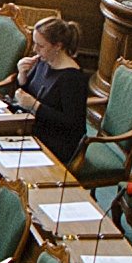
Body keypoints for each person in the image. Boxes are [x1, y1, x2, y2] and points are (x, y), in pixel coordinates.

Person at [6, 16, 90, 164]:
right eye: (34, 44)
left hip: (55, 141)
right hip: (31, 126)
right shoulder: (44, 62)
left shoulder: (72, 79)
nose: (35, 50)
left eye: (40, 46)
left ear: (57, 46)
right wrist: (22, 75)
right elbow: (26, 94)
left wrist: (35, 106)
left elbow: (72, 125)